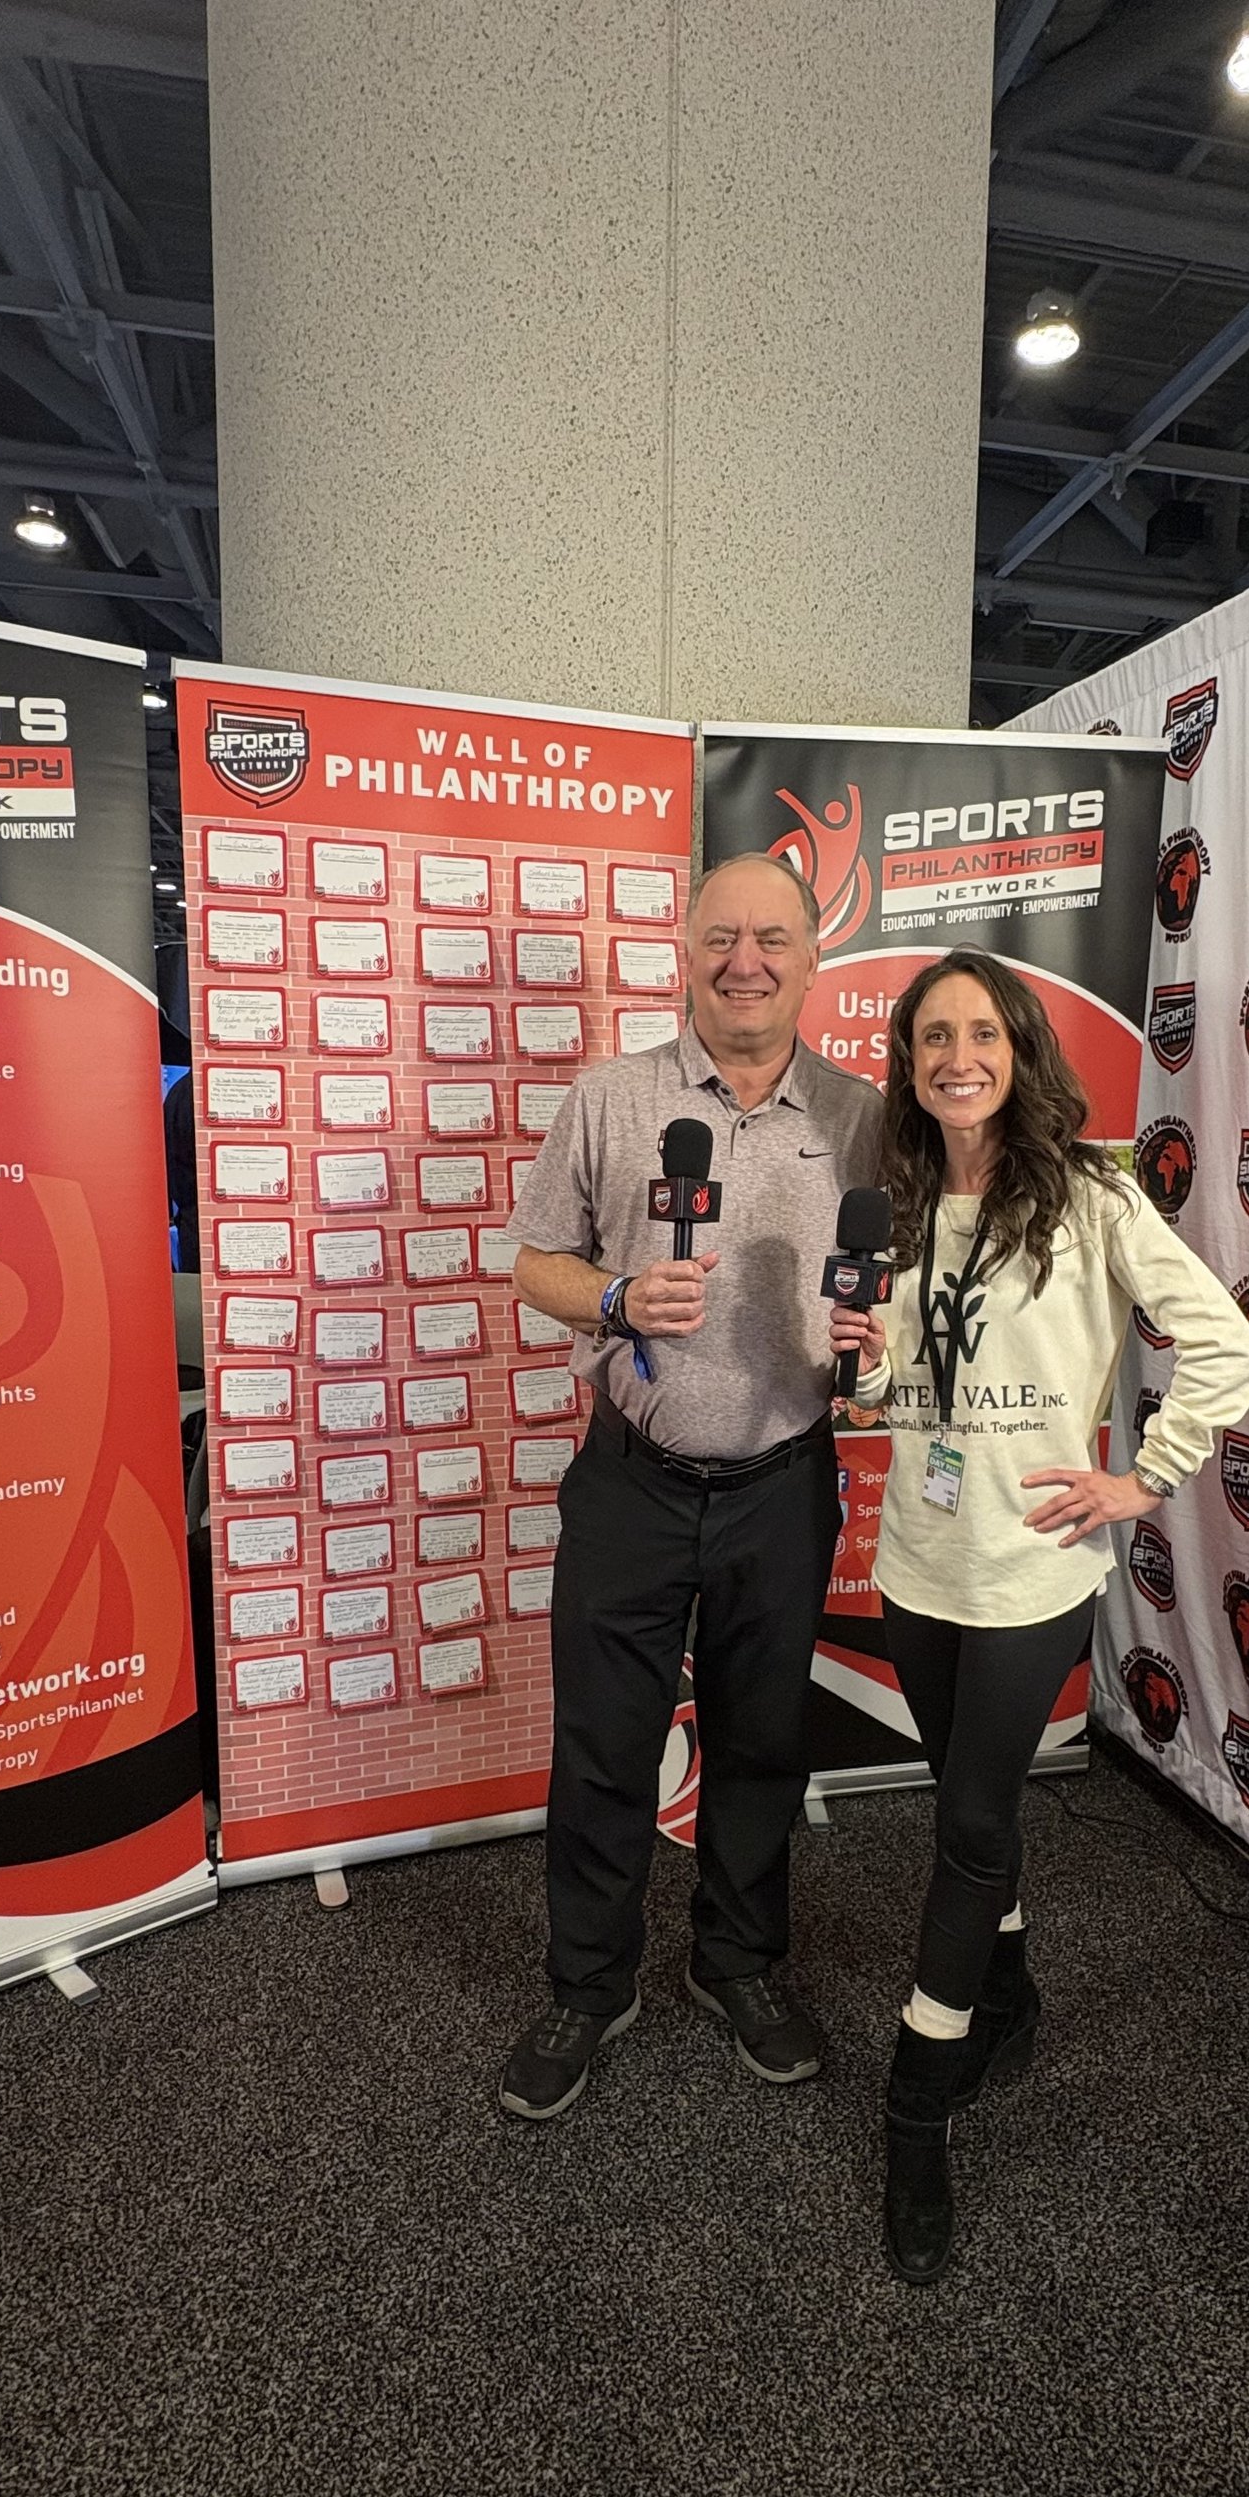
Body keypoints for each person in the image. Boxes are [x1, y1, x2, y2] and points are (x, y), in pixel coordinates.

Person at [828, 950, 1249, 2282]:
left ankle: (918, 2099)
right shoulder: (893, 1200)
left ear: (1018, 1050)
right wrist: (865, 1372)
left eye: (980, 1034)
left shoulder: (1086, 1196)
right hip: (919, 1564)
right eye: (931, 1038)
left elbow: (1228, 1345)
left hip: (1028, 1579)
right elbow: (907, 1387)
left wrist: (1143, 1477)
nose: (956, 1056)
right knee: (982, 1803)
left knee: (964, 1823)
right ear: (908, 1064)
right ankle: (1009, 1984)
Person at [498, 851, 882, 2120]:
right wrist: (611, 1297)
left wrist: (873, 1351)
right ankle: (589, 1985)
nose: (746, 963)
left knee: (763, 1743)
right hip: (631, 1480)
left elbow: (898, 1285)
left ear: (811, 958)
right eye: (722, 938)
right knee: (604, 1746)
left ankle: (738, 1968)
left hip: (784, 1479)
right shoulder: (610, 1101)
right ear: (685, 952)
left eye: (773, 939)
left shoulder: (864, 1116)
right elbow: (536, 1262)